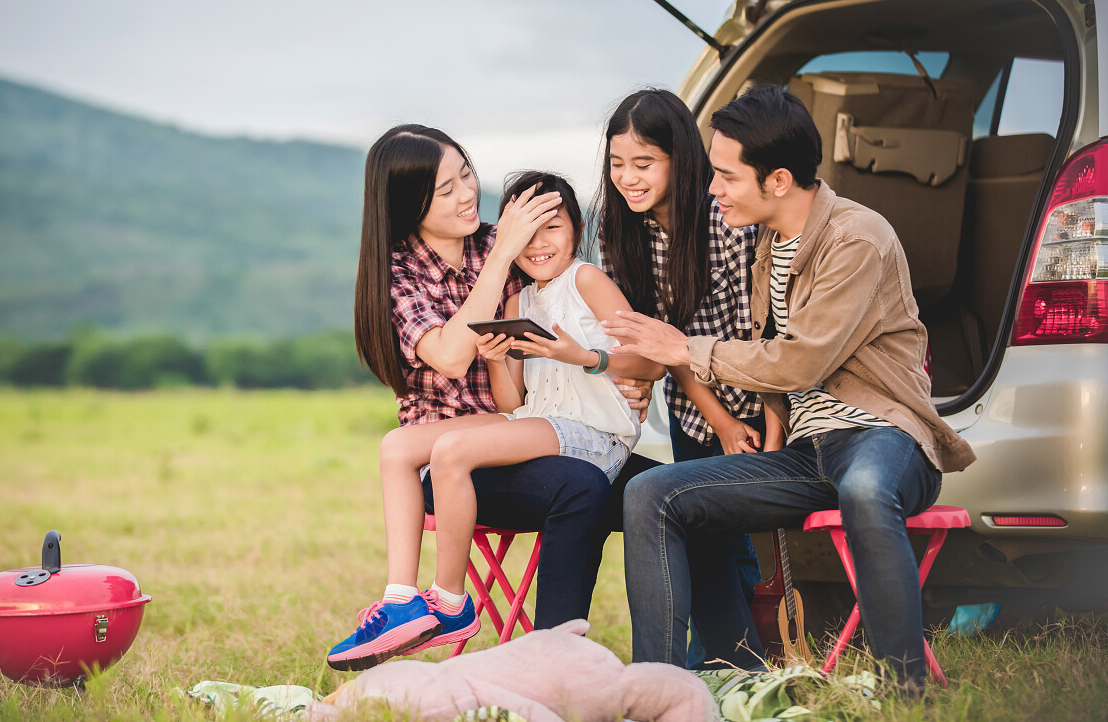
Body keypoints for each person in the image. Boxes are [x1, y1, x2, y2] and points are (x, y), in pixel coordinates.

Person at [605, 86, 976, 692]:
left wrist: (683, 349)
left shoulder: (856, 238)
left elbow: (801, 358)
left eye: (726, 175)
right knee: (650, 494)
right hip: (810, 453)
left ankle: (909, 688)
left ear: (778, 180)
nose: (713, 188)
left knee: (863, 487)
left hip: (881, 437)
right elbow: (778, 357)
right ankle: (660, 687)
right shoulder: (770, 244)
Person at [329, 126, 654, 671]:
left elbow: (579, 316)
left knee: (658, 484)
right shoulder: (406, 271)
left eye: (467, 175)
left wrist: (621, 370)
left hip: (524, 420)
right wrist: (502, 253)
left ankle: (562, 650)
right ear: (408, 205)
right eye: (444, 190)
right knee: (399, 446)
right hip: (463, 451)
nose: (465, 195)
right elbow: (452, 356)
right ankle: (409, 602)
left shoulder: (515, 242)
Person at [592, 88, 779, 666]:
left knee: (737, 528)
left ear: (681, 157)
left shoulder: (727, 222)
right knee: (708, 531)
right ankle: (734, 654)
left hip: (761, 384)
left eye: (644, 163)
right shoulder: (625, 233)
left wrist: (766, 429)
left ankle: (739, 650)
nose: (629, 178)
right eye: (618, 164)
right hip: (696, 401)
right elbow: (661, 344)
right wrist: (717, 419)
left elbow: (765, 336)